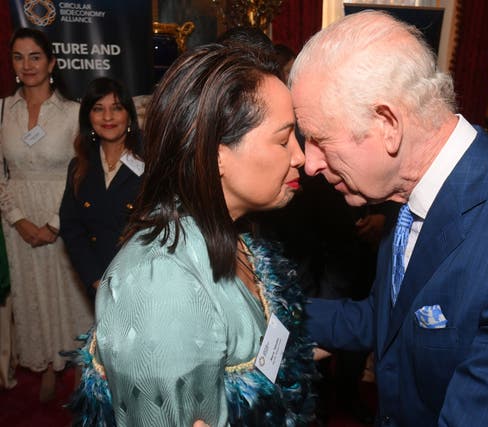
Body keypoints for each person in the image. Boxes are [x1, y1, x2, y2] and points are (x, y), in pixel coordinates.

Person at [289, 10, 488, 426]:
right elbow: (392, 317)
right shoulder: (411, 191)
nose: (309, 162)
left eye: (319, 138)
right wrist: (265, 312)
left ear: (388, 124)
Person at [69, 43, 316, 427]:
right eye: (284, 140)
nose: (300, 156)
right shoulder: (159, 286)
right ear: (216, 154)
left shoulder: (238, 236)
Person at [0, 28, 93, 399]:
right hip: (16, 218)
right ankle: (47, 365)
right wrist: (17, 219)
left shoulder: (73, 113)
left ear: (51, 62)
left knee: (69, 293)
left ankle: (74, 363)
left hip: (64, 215)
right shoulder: (2, 110)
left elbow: (85, 171)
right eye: (18, 57)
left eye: (35, 56)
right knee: (31, 293)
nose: (27, 65)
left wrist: (55, 223)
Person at [59, 77, 144, 299]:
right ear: (88, 116)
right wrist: (95, 279)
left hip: (145, 282)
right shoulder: (79, 167)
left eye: (116, 108)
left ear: (129, 115)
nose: (107, 117)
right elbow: (71, 228)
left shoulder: (152, 160)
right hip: (101, 285)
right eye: (98, 109)